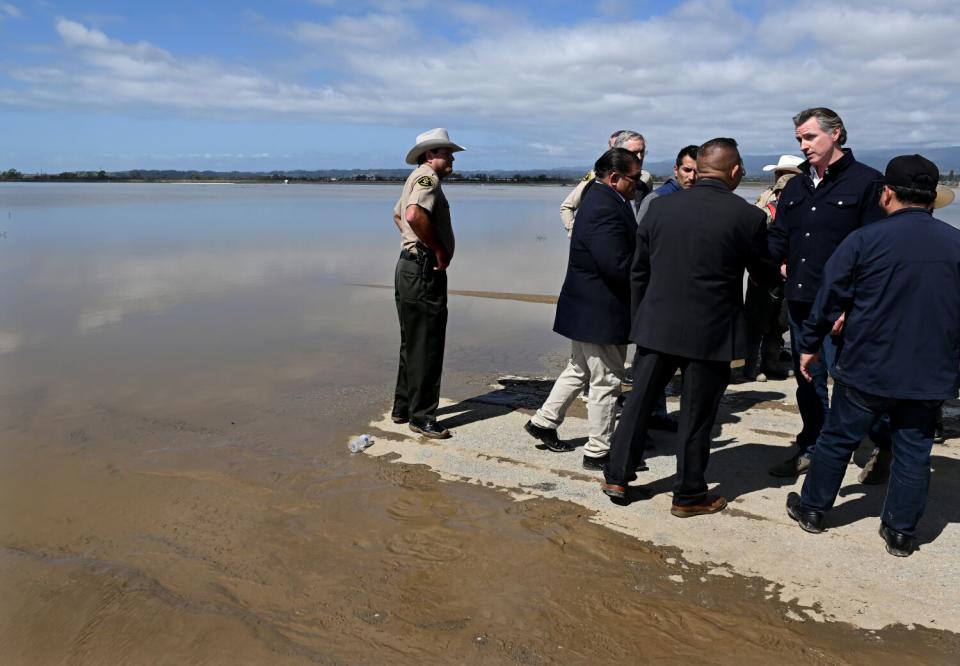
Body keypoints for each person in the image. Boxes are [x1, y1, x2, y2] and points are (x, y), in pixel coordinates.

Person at [785, 154, 960, 557]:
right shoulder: (954, 244)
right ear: (933, 199)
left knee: (837, 439)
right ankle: (901, 532)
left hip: (869, 363)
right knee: (915, 450)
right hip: (929, 371)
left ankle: (812, 510)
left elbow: (829, 299)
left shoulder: (864, 241)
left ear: (886, 194)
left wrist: (809, 346)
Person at [602, 138, 776, 515]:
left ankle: (617, 475)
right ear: (734, 171)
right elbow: (763, 276)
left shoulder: (660, 209)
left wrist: (640, 319)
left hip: (656, 325)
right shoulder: (748, 217)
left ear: (698, 168)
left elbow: (638, 271)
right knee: (697, 415)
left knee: (638, 403)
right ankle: (688, 495)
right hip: (711, 332)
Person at [767, 108, 883, 477]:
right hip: (802, 302)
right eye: (799, 139)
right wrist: (780, 260)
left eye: (810, 137)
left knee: (853, 381)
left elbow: (875, 250)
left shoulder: (867, 183)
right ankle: (813, 445)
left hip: (845, 306)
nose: (803, 145)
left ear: (836, 134)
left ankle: (883, 444)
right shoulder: (797, 186)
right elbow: (779, 234)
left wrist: (853, 304)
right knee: (808, 379)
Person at [525, 148, 643, 470]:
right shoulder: (605, 206)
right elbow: (615, 265)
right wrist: (647, 275)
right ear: (615, 178)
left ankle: (544, 421)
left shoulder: (600, 197)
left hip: (586, 307)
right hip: (600, 310)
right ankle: (598, 451)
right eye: (635, 177)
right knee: (607, 380)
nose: (640, 183)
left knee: (579, 369)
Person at [390, 128, 464, 439]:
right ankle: (422, 417)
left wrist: (411, 243)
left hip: (409, 267)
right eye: (447, 154)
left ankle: (403, 407)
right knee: (429, 344)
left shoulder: (416, 179)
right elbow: (411, 214)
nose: (451, 159)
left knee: (413, 341)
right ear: (430, 155)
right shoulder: (427, 179)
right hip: (422, 271)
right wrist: (434, 249)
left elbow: (397, 216)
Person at [741, 155, 803, 382]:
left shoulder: (805, 203)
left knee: (780, 321)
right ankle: (751, 365)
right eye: (779, 173)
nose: (781, 178)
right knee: (757, 320)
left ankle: (771, 361)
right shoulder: (764, 203)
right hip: (765, 271)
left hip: (789, 272)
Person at [560, 131, 652, 235]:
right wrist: (574, 232)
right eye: (634, 152)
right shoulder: (597, 177)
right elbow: (567, 206)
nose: (639, 157)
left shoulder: (645, 178)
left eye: (642, 152)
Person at [633, 145, 699, 222]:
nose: (692, 177)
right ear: (676, 170)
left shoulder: (702, 197)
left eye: (697, 172)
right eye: (687, 170)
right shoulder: (655, 198)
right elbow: (639, 231)